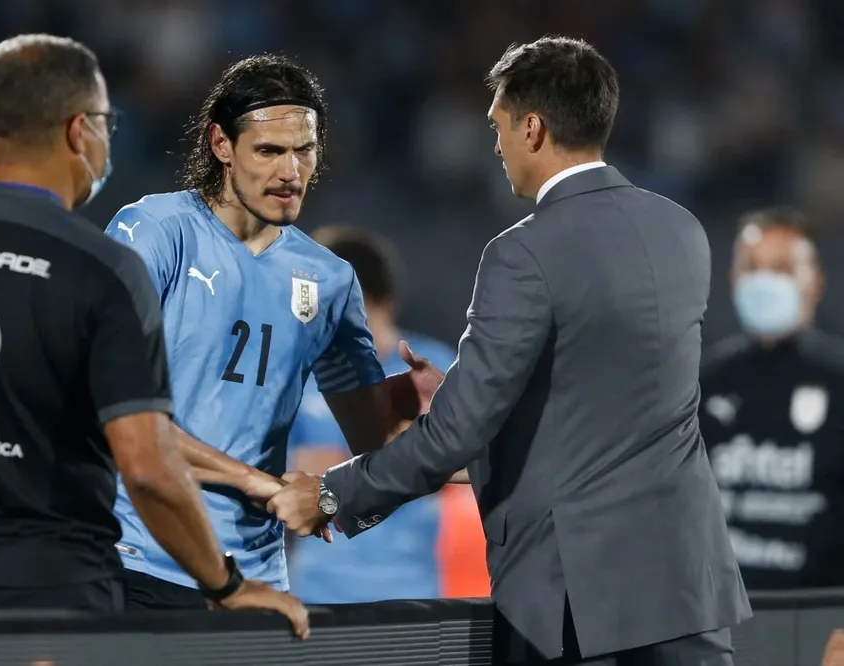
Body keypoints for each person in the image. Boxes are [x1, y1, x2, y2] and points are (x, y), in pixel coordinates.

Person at [268, 36, 752, 665]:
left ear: (532, 128)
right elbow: (605, 399)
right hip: (687, 585)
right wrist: (475, 393)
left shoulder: (523, 252)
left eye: (497, 126)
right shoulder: (681, 231)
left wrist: (332, 495)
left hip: (577, 599)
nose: (494, 146)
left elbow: (450, 439)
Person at [0, 35, 307, 664]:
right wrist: (225, 584)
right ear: (79, 130)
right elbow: (147, 468)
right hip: (50, 609)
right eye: (107, 123)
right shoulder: (103, 271)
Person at [104, 54, 441, 610]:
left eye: (303, 150)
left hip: (259, 583)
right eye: (268, 151)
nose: (290, 172)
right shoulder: (154, 234)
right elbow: (120, 417)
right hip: (140, 560)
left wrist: (421, 417)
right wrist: (255, 481)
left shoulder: (329, 282)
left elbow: (373, 446)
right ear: (220, 144)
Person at [286, 225, 489, 603]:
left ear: (383, 303)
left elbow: (465, 466)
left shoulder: (433, 367)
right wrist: (400, 455)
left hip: (410, 584)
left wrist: (351, 464)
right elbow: (288, 478)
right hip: (318, 586)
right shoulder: (301, 373)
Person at [700, 208, 844, 590]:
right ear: (733, 279)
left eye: (781, 268)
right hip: (718, 617)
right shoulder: (701, 384)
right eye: (752, 267)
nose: (764, 280)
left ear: (815, 281)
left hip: (818, 614)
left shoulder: (839, 381)